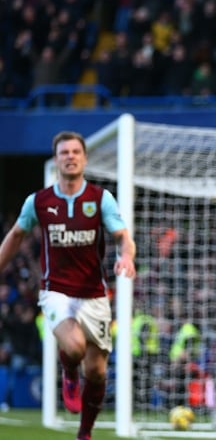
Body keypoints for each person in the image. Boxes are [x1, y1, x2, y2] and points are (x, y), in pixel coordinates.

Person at [0, 131, 137, 440]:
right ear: (57, 159)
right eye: (64, 152)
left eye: (76, 151)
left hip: (94, 295)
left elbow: (122, 237)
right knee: (73, 346)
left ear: (84, 158)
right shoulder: (38, 201)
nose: (70, 156)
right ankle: (69, 371)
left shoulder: (101, 199)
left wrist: (127, 257)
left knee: (98, 372)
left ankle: (85, 432)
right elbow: (16, 236)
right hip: (56, 291)